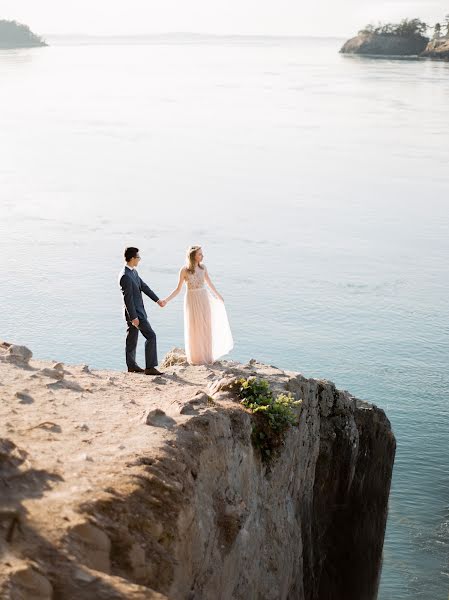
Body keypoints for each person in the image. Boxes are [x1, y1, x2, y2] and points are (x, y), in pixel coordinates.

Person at [162, 245, 233, 365]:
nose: (203, 255)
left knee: (206, 326)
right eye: (200, 254)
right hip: (192, 300)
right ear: (193, 256)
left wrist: (219, 296)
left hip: (204, 298)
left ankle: (207, 356)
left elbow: (209, 283)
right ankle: (197, 358)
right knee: (194, 328)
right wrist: (166, 300)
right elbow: (178, 289)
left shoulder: (203, 267)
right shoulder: (184, 270)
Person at [118, 247, 166, 375]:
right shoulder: (125, 276)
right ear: (132, 258)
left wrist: (157, 300)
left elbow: (144, 287)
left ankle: (132, 366)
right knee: (151, 336)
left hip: (137, 312)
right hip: (135, 313)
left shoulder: (133, 272)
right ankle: (150, 367)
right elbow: (127, 299)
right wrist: (133, 317)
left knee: (132, 338)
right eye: (138, 257)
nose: (139, 260)